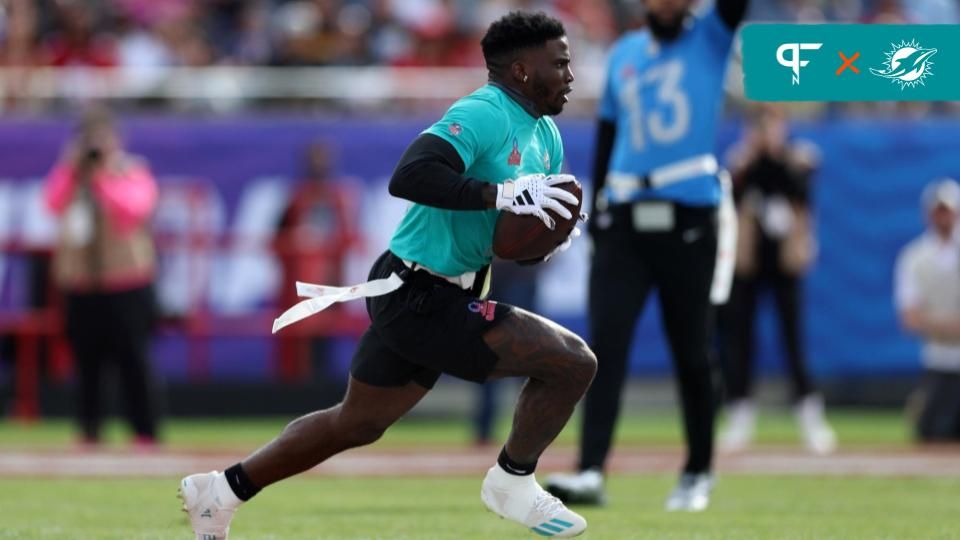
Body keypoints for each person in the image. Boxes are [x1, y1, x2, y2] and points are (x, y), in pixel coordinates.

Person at [179, 11, 595, 539]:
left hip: (437, 288)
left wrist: (547, 239)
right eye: (559, 63)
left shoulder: (546, 135)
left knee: (356, 423)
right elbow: (411, 174)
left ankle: (221, 491)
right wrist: (500, 193)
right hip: (418, 292)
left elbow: (505, 243)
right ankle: (512, 480)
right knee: (572, 362)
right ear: (520, 70)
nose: (570, 74)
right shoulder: (487, 111)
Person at [545, 0, 748, 512]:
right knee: (602, 349)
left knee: (693, 351)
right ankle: (591, 468)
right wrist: (595, 212)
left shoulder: (710, 36)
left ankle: (698, 471)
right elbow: (609, 135)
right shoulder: (625, 52)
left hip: (690, 216)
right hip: (627, 217)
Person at [716, 104, 836, 455]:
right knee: (740, 340)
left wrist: (784, 158)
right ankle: (739, 415)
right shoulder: (742, 162)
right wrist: (750, 158)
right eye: (761, 127)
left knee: (792, 338)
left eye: (773, 127)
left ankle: (810, 417)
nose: (768, 134)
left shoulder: (795, 160)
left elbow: (803, 186)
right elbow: (732, 193)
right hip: (750, 262)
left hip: (784, 264)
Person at [43, 106, 160, 447]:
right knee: (85, 364)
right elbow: (51, 203)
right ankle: (88, 432)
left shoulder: (132, 171)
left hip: (127, 281)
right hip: (81, 283)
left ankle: (145, 432)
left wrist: (102, 176)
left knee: (133, 362)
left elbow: (134, 209)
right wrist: (71, 167)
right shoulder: (70, 174)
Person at [895, 178, 960, 442]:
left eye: (948, 210)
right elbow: (909, 318)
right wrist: (951, 325)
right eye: (938, 211)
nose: (943, 217)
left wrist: (932, 322)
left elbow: (918, 317)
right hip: (937, 364)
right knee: (930, 435)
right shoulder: (914, 257)